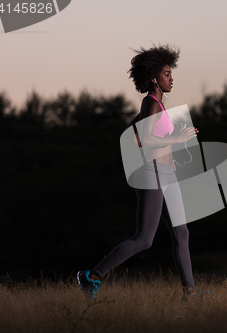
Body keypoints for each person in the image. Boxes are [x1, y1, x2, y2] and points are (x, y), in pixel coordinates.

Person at [77, 44, 203, 302]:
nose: (172, 78)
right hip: (153, 174)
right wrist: (177, 139)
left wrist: (168, 152)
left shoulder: (157, 105)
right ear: (154, 77)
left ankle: (190, 292)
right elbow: (145, 139)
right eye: (167, 74)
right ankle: (92, 275)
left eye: (171, 73)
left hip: (167, 172)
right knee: (144, 239)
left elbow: (135, 134)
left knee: (182, 232)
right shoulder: (151, 103)